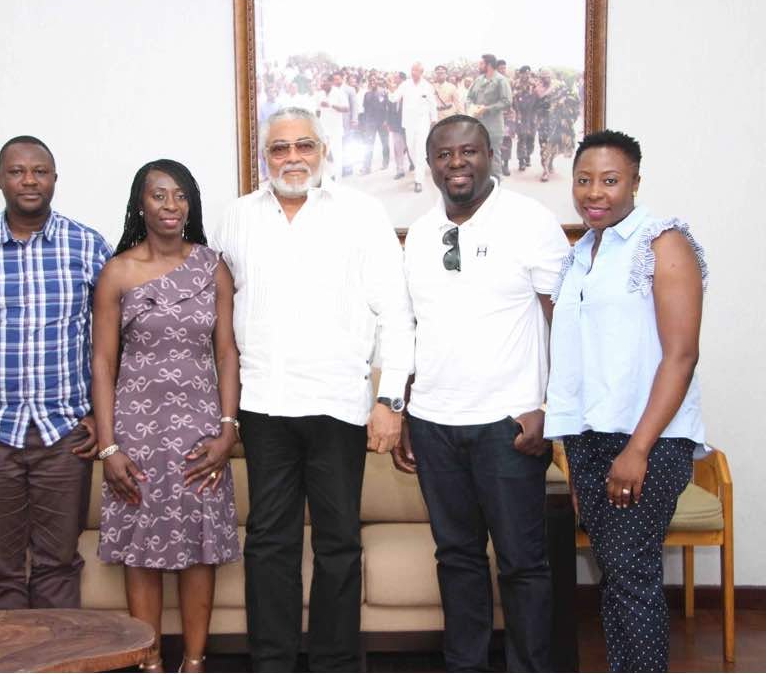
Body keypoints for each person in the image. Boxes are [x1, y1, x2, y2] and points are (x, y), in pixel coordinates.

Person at [212, 106, 414, 672]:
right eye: (280, 148)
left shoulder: (361, 213)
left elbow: (395, 313)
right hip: (263, 406)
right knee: (267, 543)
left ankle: (334, 664)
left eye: (304, 145)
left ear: (324, 151)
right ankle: (271, 663)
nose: (293, 158)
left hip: (339, 404)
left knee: (338, 544)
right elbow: (218, 315)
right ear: (264, 158)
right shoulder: (236, 218)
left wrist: (390, 400)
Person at [394, 115, 569, 671]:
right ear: (430, 164)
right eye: (444, 155)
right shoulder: (420, 233)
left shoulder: (529, 221)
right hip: (434, 423)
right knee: (457, 558)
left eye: (468, 151)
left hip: (508, 424)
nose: (457, 163)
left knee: (522, 563)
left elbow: (564, 319)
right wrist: (405, 412)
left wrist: (549, 407)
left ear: (490, 154)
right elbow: (412, 328)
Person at [545, 130, 708, 673]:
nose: (595, 192)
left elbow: (681, 355)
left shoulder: (663, 243)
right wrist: (571, 451)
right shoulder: (581, 254)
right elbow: (578, 360)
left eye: (610, 180)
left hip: (645, 439)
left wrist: (637, 449)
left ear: (636, 182)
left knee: (631, 576)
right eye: (584, 180)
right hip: (591, 439)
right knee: (616, 577)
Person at [0, 136, 110, 610]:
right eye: (17, 171)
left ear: (55, 179)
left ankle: (61, 652)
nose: (29, 180)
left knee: (59, 564)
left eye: (40, 171)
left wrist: (101, 416)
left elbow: (109, 343)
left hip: (66, 434)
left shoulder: (88, 245)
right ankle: (7, 652)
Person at [93, 160, 241, 673]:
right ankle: (150, 662)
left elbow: (226, 352)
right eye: (159, 195)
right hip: (137, 431)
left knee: (199, 547)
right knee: (141, 549)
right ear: (141, 204)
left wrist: (228, 429)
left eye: (180, 195)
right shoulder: (117, 272)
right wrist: (109, 446)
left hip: (201, 430)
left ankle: (194, 662)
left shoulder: (213, 266)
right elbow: (103, 362)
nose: (171, 205)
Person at [389, 61, 438, 192]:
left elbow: (432, 104)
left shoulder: (427, 86)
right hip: (408, 123)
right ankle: (419, 168)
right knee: (411, 149)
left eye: (416, 70)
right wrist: (391, 88)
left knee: (420, 149)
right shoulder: (405, 85)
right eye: (412, 70)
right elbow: (394, 98)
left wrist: (434, 119)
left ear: (421, 72)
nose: (413, 73)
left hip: (422, 122)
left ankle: (418, 180)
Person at [466, 54, 512, 178]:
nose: (479, 66)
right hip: (477, 126)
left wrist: (486, 109)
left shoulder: (501, 80)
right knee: (477, 156)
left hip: (493, 127)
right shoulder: (478, 80)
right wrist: (472, 107)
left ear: (489, 65)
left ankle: (496, 183)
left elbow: (507, 101)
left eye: (481, 63)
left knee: (493, 156)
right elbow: (469, 97)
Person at [535, 69, 581, 182]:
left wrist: (565, 107)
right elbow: (534, 105)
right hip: (543, 123)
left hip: (556, 122)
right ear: (541, 78)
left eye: (548, 77)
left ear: (551, 77)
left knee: (553, 145)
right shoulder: (537, 89)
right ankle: (545, 170)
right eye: (544, 77)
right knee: (543, 146)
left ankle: (550, 163)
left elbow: (572, 99)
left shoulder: (558, 88)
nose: (546, 79)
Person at [315, 72, 350, 180]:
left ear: (331, 82)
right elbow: (318, 111)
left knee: (337, 154)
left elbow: (346, 109)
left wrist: (330, 105)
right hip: (323, 129)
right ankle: (330, 175)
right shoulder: (319, 94)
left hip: (336, 129)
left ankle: (338, 178)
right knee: (321, 154)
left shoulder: (339, 93)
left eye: (325, 81)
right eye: (321, 81)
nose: (322, 84)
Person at [360, 75, 391, 173]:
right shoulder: (367, 94)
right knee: (369, 145)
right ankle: (367, 166)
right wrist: (365, 123)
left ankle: (385, 162)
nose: (372, 81)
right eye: (370, 80)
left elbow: (388, 108)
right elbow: (365, 110)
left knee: (385, 144)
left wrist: (386, 120)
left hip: (382, 122)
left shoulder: (384, 92)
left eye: (374, 80)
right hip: (370, 123)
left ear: (378, 81)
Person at [513, 66, 539, 171]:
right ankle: (521, 161)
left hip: (532, 115)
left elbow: (538, 100)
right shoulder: (515, 84)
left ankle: (528, 155)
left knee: (531, 137)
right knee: (521, 137)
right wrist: (516, 112)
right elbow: (512, 99)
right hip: (520, 114)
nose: (526, 75)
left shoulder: (534, 84)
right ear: (520, 74)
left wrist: (536, 114)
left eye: (528, 73)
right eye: (524, 73)